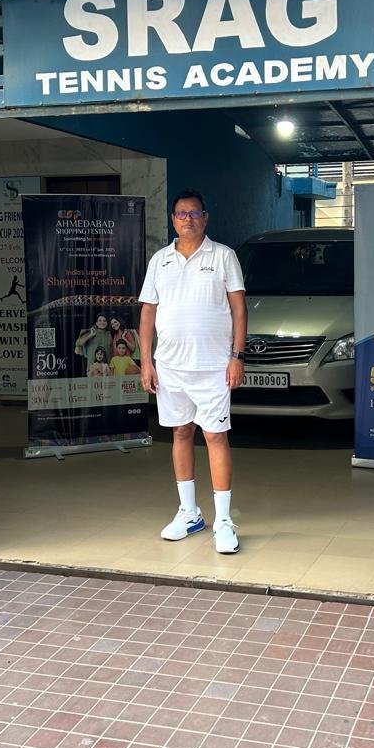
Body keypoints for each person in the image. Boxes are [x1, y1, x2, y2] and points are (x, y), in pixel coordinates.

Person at [139, 189, 248, 555]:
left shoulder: (223, 256)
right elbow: (148, 313)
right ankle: (189, 513)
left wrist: (237, 356)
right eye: (181, 214)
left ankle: (224, 521)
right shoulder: (160, 260)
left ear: (206, 217)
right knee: (181, 432)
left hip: (214, 366)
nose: (188, 219)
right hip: (170, 366)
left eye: (195, 213)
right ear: (173, 219)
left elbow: (239, 309)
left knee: (215, 436)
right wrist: (146, 361)